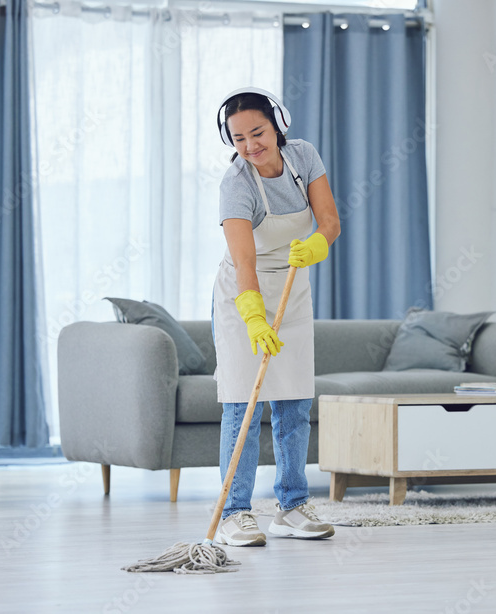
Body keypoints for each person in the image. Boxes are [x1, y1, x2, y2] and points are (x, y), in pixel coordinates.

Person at [211, 87, 340, 547]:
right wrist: (253, 318)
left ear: (278, 125)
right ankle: (235, 513)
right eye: (238, 137)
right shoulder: (237, 183)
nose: (250, 145)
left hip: (292, 282)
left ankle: (291, 506)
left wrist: (318, 245)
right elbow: (244, 262)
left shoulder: (304, 156)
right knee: (242, 401)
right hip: (242, 295)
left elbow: (329, 221)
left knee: (293, 401)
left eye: (258, 132)